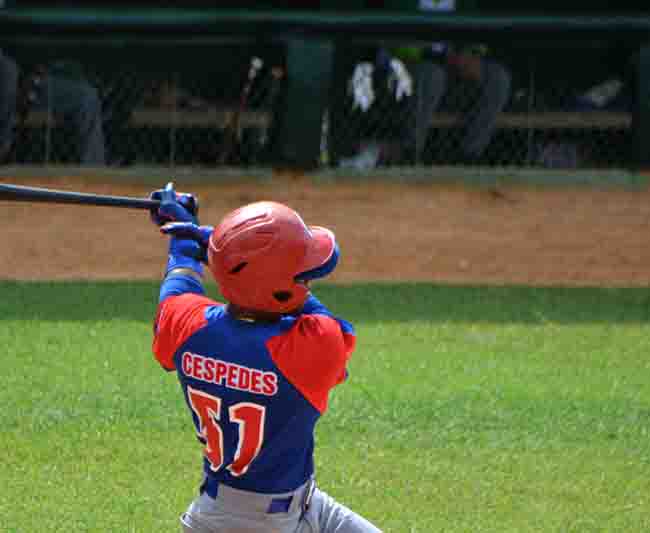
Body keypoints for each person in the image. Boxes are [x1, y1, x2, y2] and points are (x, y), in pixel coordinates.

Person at [148, 183, 381, 533]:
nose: (309, 280)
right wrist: (214, 244)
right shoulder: (309, 349)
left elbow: (179, 279)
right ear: (280, 288)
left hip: (259, 508)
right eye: (302, 275)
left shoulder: (187, 327)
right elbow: (319, 317)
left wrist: (192, 243)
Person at [338, 1, 511, 168]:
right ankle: (410, 152)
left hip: (454, 75)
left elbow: (478, 36)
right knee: (432, 74)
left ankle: (469, 157)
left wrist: (471, 56)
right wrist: (441, 57)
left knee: (497, 76)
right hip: (405, 75)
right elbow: (394, 41)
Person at [0, 50, 106, 165]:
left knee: (87, 97)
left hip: (36, 77)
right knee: (8, 70)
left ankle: (92, 171)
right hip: (11, 79)